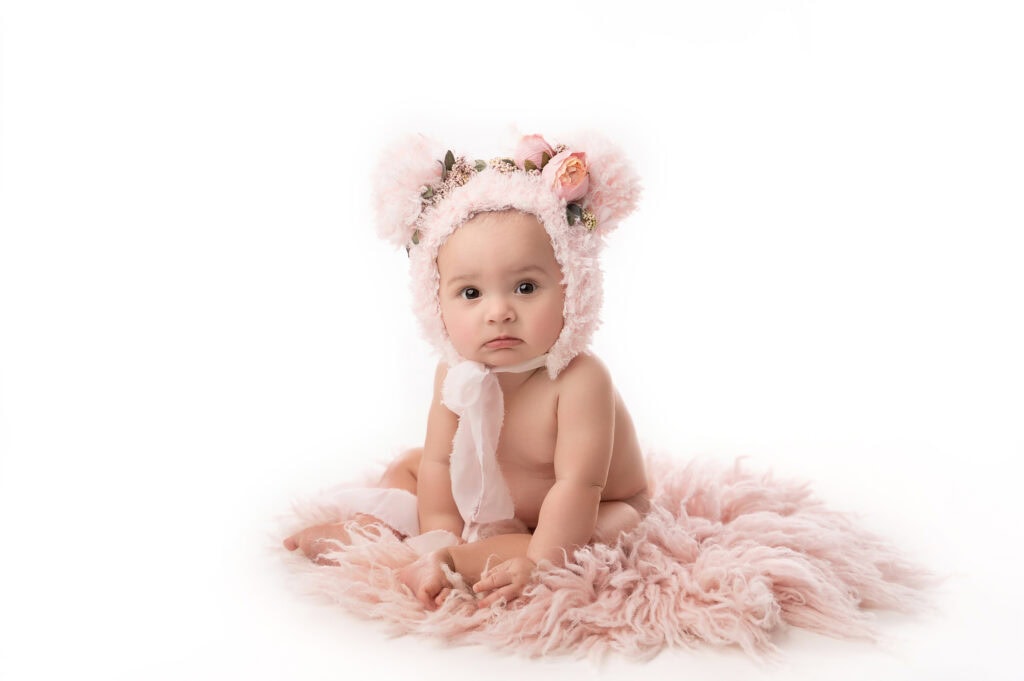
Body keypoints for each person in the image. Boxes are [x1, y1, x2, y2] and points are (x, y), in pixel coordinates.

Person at [283, 132, 647, 610]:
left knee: (591, 532)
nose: (498, 312)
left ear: (571, 287)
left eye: (524, 286)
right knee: (412, 466)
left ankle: (462, 561)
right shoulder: (455, 371)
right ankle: (388, 532)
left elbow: (578, 485)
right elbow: (439, 461)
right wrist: (439, 529)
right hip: (497, 489)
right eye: (471, 294)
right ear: (436, 302)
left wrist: (542, 558)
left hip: (585, 503)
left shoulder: (580, 380)